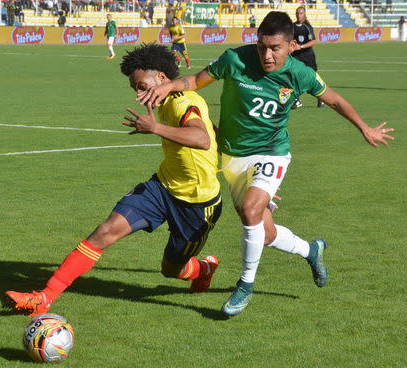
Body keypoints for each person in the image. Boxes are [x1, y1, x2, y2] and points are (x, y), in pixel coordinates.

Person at [137, 11, 395, 317]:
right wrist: (168, 87)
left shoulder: (301, 74)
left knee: (250, 211)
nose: (267, 55)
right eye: (262, 47)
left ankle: (245, 285)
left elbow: (335, 100)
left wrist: (365, 128)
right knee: (265, 232)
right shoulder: (235, 59)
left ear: (290, 46)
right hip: (233, 159)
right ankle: (311, 250)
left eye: (275, 48)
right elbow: (194, 80)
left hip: (272, 151)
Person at [5, 44, 223, 317]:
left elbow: (202, 139)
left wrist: (154, 128)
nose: (139, 94)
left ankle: (204, 269)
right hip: (162, 187)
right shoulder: (167, 100)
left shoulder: (182, 102)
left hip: (197, 204)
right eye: (135, 89)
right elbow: (214, 135)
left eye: (142, 86)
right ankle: (44, 298)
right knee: (106, 230)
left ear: (162, 79)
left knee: (171, 270)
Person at [291, 6, 323, 108]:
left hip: (307, 56)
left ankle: (321, 98)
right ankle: (297, 100)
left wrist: (301, 46)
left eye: (300, 13)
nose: (298, 15)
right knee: (294, 76)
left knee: (313, 78)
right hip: (295, 56)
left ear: (304, 14)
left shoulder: (307, 26)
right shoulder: (292, 26)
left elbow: (314, 41)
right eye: (297, 13)